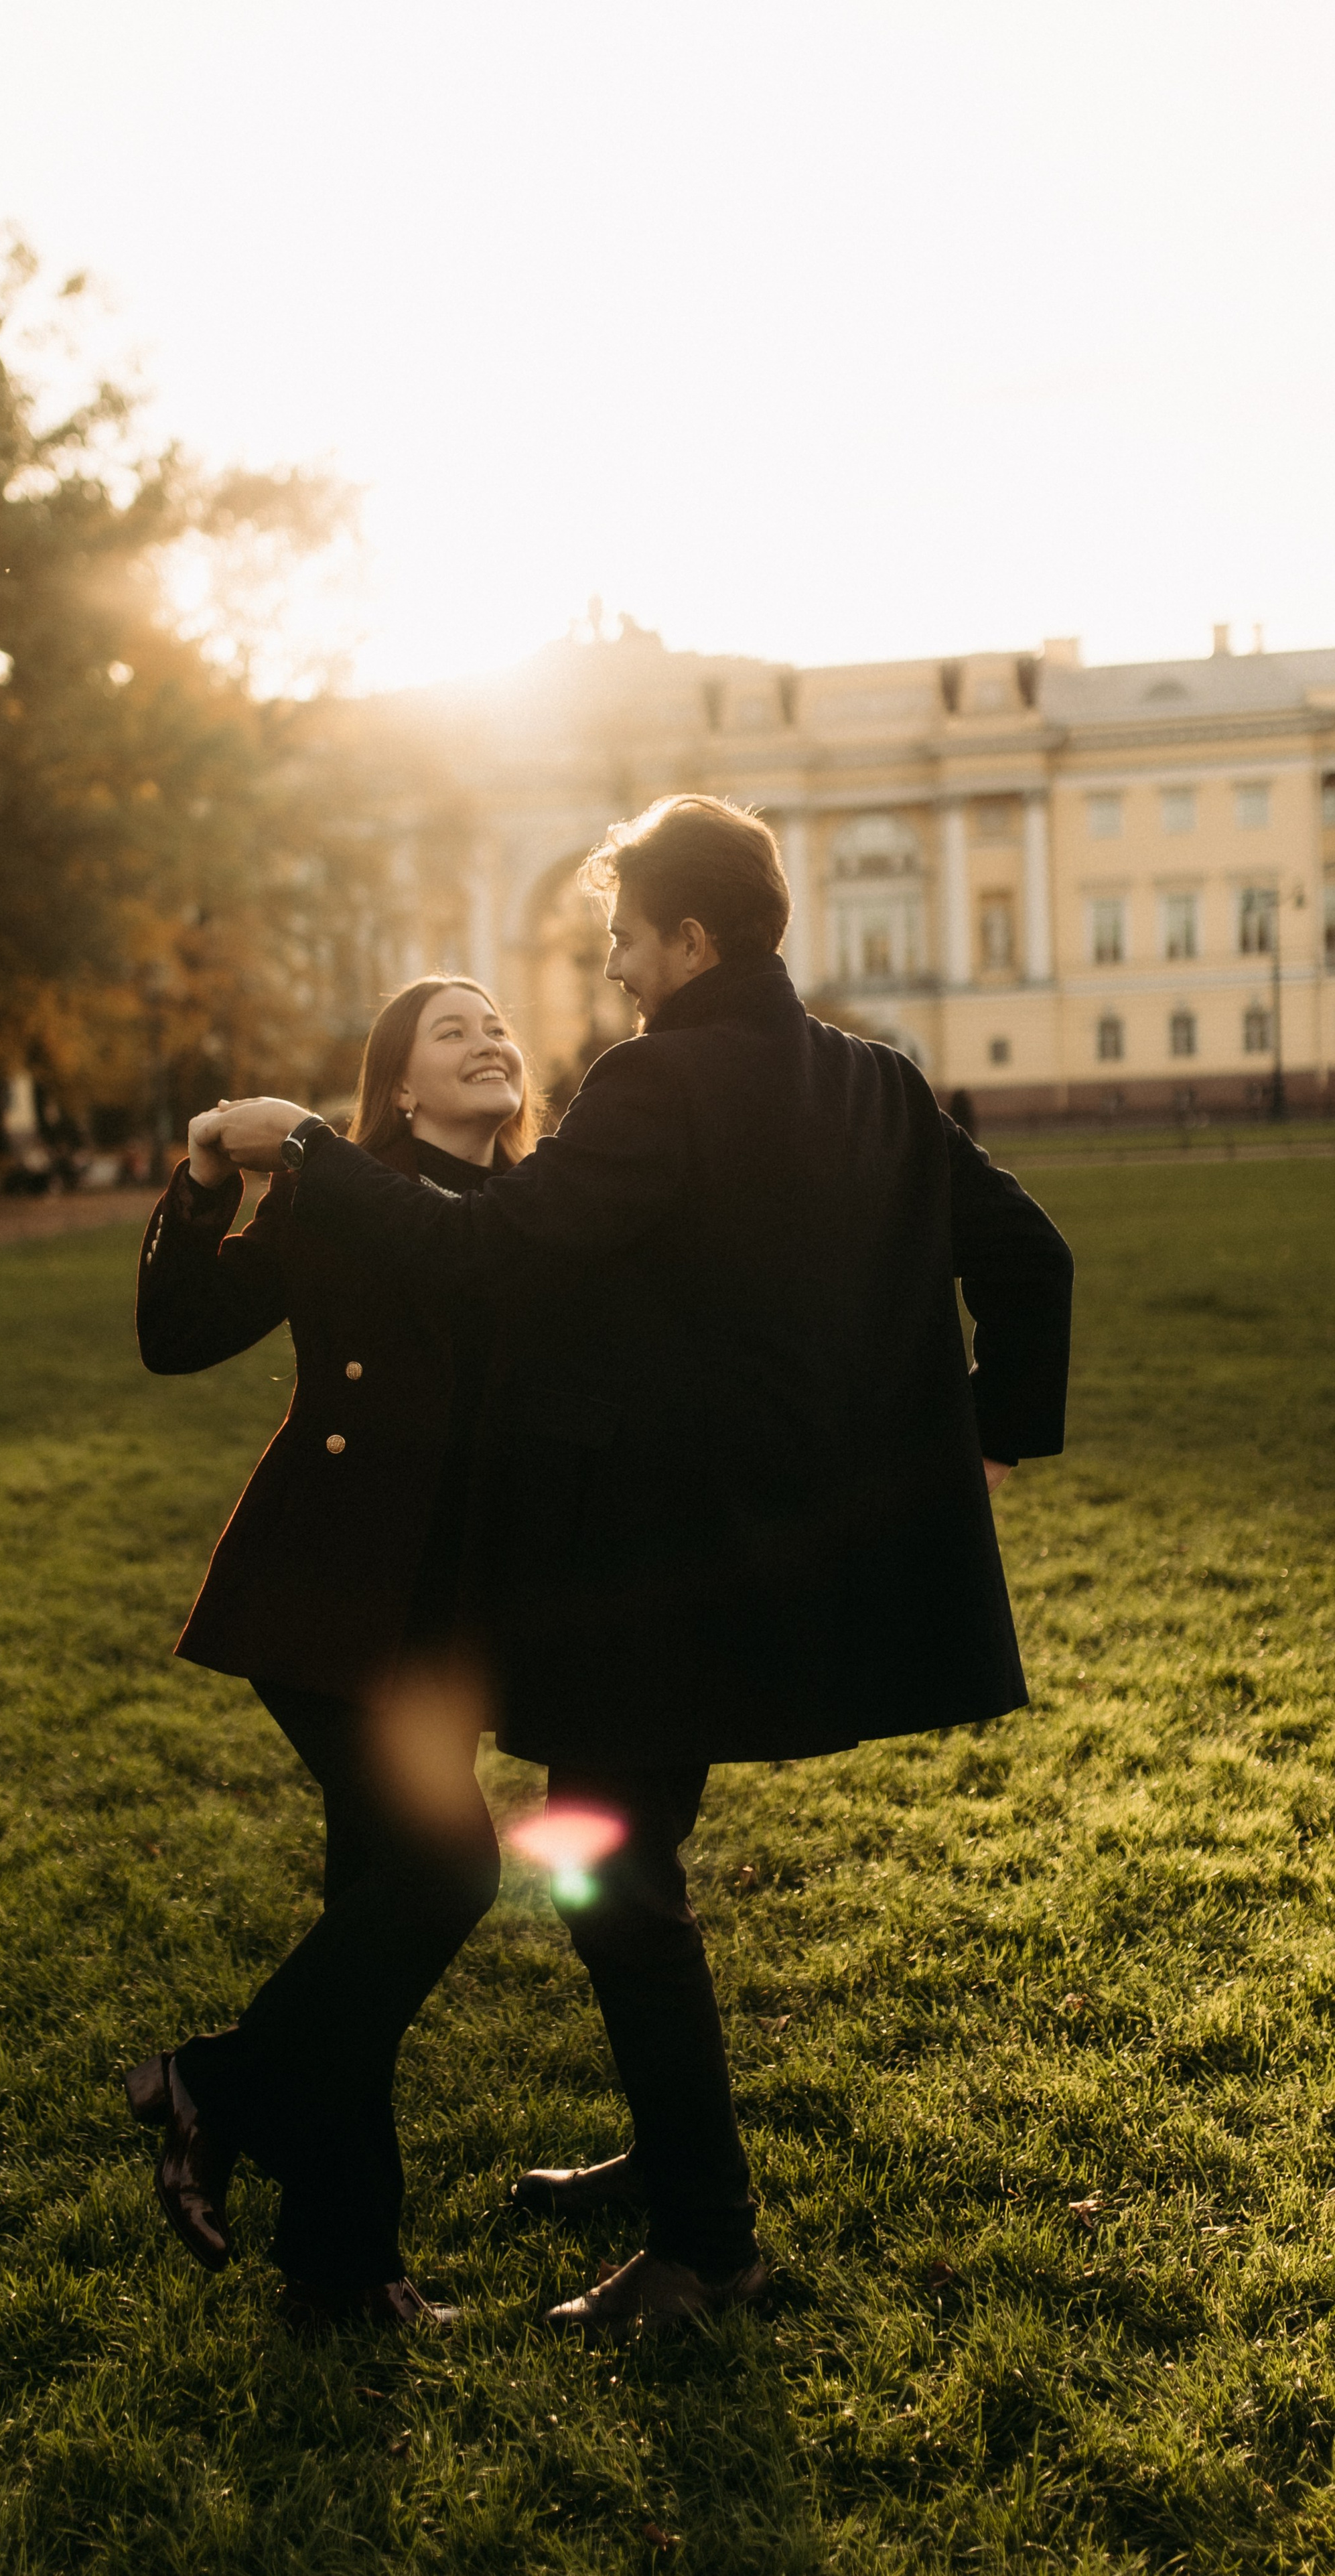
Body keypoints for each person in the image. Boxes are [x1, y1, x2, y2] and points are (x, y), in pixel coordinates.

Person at [197, 793, 1076, 2337]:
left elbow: (489, 1248)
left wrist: (320, 1159)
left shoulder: (655, 1080)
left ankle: (704, 2250)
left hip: (654, 1573)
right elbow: (1032, 1260)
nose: (608, 973)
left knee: (610, 1885)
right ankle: (673, 2165)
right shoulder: (876, 1082)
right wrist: (991, 1431)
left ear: (689, 938)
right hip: (778, 1567)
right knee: (625, 1870)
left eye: (621, 941)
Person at [127, 975, 541, 2331]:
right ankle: (216, 2088)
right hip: (318, 1597)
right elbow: (179, 1337)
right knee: (446, 1872)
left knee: (368, 1908)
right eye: (449, 1029)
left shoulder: (539, 1207)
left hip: (448, 1619)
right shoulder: (336, 1186)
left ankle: (339, 2270)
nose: (487, 1037)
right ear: (401, 1088)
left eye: (497, 1026)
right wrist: (201, 1183)